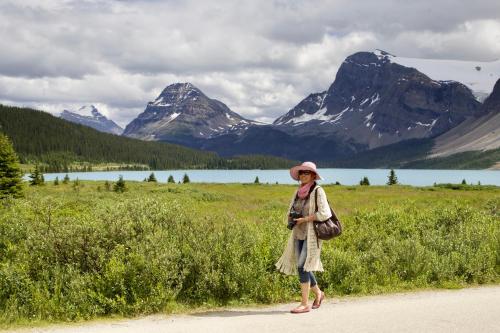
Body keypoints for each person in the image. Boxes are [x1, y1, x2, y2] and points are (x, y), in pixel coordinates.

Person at [275, 161, 331, 314]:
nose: (303, 175)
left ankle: (304, 303)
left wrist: (305, 219)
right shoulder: (298, 191)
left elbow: (325, 213)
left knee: (301, 266)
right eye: (301, 172)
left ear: (313, 175)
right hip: (298, 233)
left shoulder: (318, 191)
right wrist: (290, 217)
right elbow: (292, 208)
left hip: (311, 234)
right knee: (304, 267)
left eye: (306, 172)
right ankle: (319, 293)